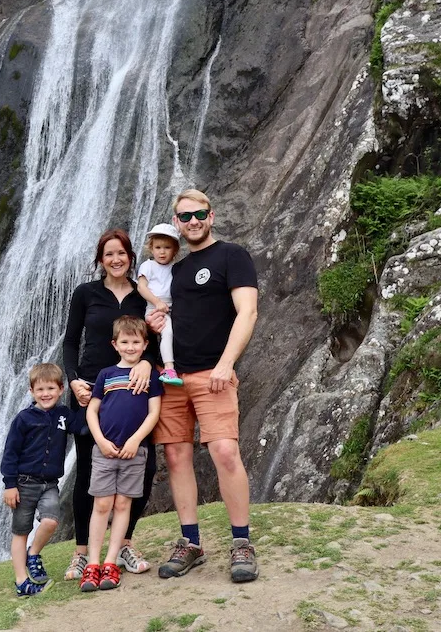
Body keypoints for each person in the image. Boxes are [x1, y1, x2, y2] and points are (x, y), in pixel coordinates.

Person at [146, 188, 260, 584]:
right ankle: (190, 542)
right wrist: (154, 324)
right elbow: (166, 318)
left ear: (211, 216)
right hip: (172, 376)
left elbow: (248, 311)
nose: (192, 221)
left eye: (199, 214)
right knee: (176, 457)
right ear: (176, 223)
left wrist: (227, 365)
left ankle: (242, 542)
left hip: (215, 375)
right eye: (185, 216)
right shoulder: (173, 270)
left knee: (226, 452)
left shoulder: (232, 256)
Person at [63, 229, 159, 580]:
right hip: (91, 390)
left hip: (135, 391)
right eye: (109, 254)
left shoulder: (142, 295)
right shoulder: (85, 293)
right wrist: (72, 379)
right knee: (88, 472)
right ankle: (80, 551)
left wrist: (148, 362)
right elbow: (71, 341)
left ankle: (124, 545)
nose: (116, 259)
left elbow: (156, 338)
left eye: (121, 253)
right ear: (100, 260)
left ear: (131, 257)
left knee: (143, 469)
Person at [79, 316, 163, 591]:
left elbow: (154, 413)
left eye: (136, 342)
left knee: (123, 505)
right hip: (104, 450)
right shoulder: (105, 374)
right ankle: (92, 564)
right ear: (115, 344)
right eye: (125, 342)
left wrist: (136, 441)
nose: (130, 347)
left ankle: (111, 561)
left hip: (134, 452)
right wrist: (100, 440)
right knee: (102, 505)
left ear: (145, 344)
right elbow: (91, 411)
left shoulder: (150, 375)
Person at [0, 363, 83, 597]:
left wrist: (93, 400)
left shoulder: (64, 415)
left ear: (61, 389)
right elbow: (10, 453)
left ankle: (33, 554)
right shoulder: (24, 419)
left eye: (50, 388)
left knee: (50, 521)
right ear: (31, 391)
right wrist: (9, 485)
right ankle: (21, 581)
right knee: (21, 531)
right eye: (40, 390)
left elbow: (82, 427)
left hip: (49, 484)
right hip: (23, 483)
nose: (45, 394)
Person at [136, 223, 184, 387]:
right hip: (154, 309)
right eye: (158, 247)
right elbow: (141, 287)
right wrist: (157, 302)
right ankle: (169, 368)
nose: (162, 252)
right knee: (168, 331)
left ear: (175, 250)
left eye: (167, 247)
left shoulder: (176, 268)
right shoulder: (148, 266)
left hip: (172, 308)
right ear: (151, 248)